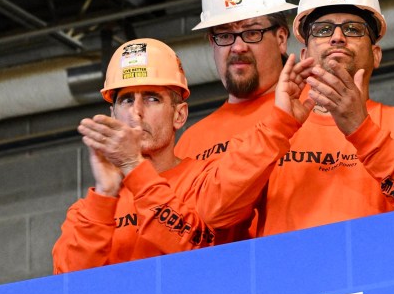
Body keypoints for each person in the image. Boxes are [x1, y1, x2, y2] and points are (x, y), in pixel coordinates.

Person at [51, 39, 312, 273]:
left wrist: (133, 166)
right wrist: (106, 194)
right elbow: (68, 289)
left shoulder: (205, 180)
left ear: (179, 115)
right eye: (127, 100)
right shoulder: (89, 209)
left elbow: (192, 251)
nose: (136, 112)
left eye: (152, 99)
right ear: (113, 115)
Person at [206, 0, 394, 236]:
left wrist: (362, 130)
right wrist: (279, 126)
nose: (337, 37)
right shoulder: (269, 133)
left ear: (376, 55)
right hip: (286, 278)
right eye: (322, 29)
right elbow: (214, 214)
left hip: (380, 278)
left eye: (353, 28)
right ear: (304, 53)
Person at [174, 0, 297, 164]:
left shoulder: (320, 110)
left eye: (251, 32)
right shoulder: (190, 145)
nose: (238, 47)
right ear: (213, 44)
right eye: (224, 35)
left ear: (281, 39)